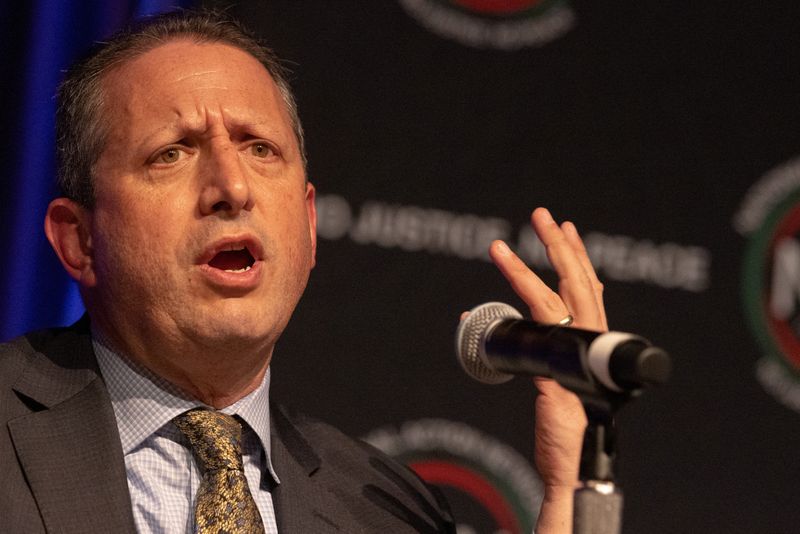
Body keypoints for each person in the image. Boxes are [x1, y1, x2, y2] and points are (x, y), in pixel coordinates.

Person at [0, 9, 604, 534]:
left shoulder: (393, 513)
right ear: (78, 240)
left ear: (309, 227)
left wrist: (576, 494)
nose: (232, 188)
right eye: (172, 153)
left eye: (260, 148)